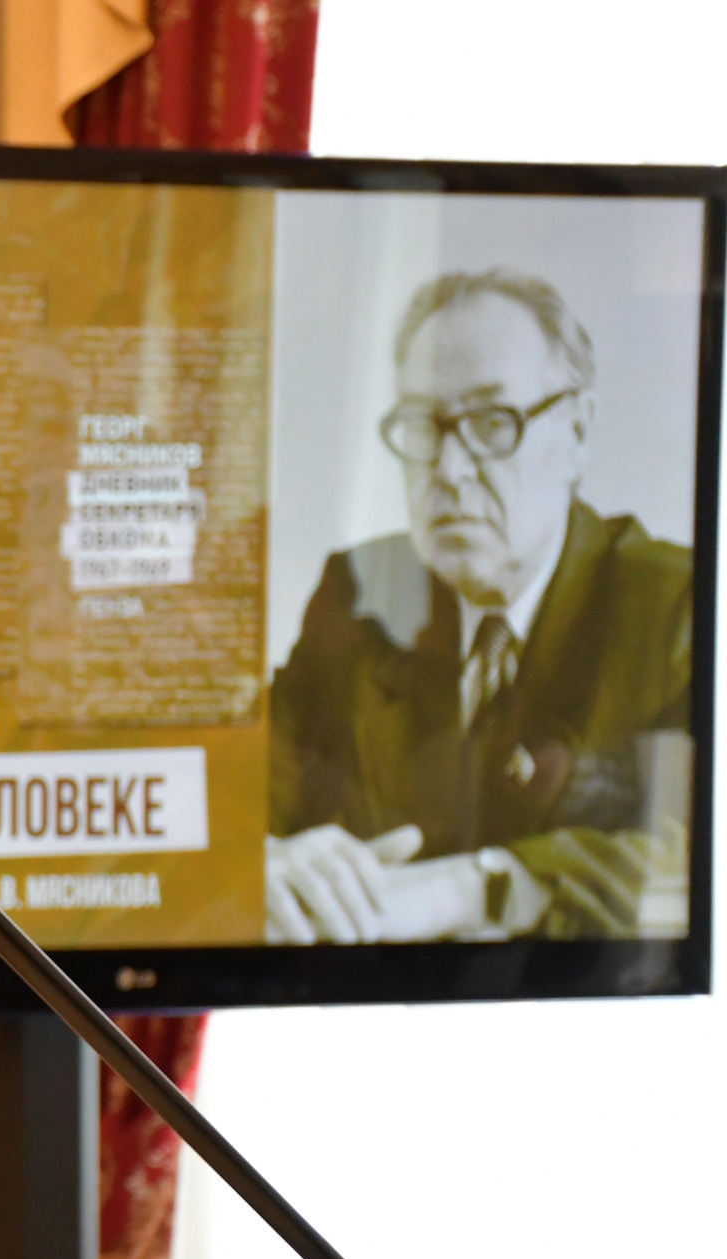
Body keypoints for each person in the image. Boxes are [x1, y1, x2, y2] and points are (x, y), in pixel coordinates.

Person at [266, 267, 693, 944]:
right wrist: (261, 859)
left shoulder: (678, 609)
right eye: (421, 425)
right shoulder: (360, 593)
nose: (449, 470)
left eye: (493, 423)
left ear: (578, 433)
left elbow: (695, 854)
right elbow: (242, 787)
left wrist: (471, 890)